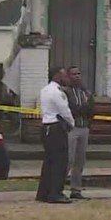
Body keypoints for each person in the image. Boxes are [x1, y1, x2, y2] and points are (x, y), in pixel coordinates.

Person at [36, 66, 74, 204]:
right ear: (57, 76)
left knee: (49, 161)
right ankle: (56, 193)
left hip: (45, 126)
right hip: (56, 127)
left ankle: (43, 192)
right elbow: (65, 111)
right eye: (64, 75)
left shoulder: (44, 90)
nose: (66, 78)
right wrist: (71, 123)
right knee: (60, 162)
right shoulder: (58, 93)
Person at [63, 66, 94, 200]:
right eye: (74, 74)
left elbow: (92, 109)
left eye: (79, 73)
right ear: (69, 76)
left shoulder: (85, 92)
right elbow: (72, 109)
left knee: (80, 161)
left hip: (84, 127)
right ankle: (58, 186)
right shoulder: (65, 92)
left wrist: (86, 108)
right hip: (72, 128)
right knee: (68, 159)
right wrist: (84, 107)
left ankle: (76, 189)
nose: (77, 76)